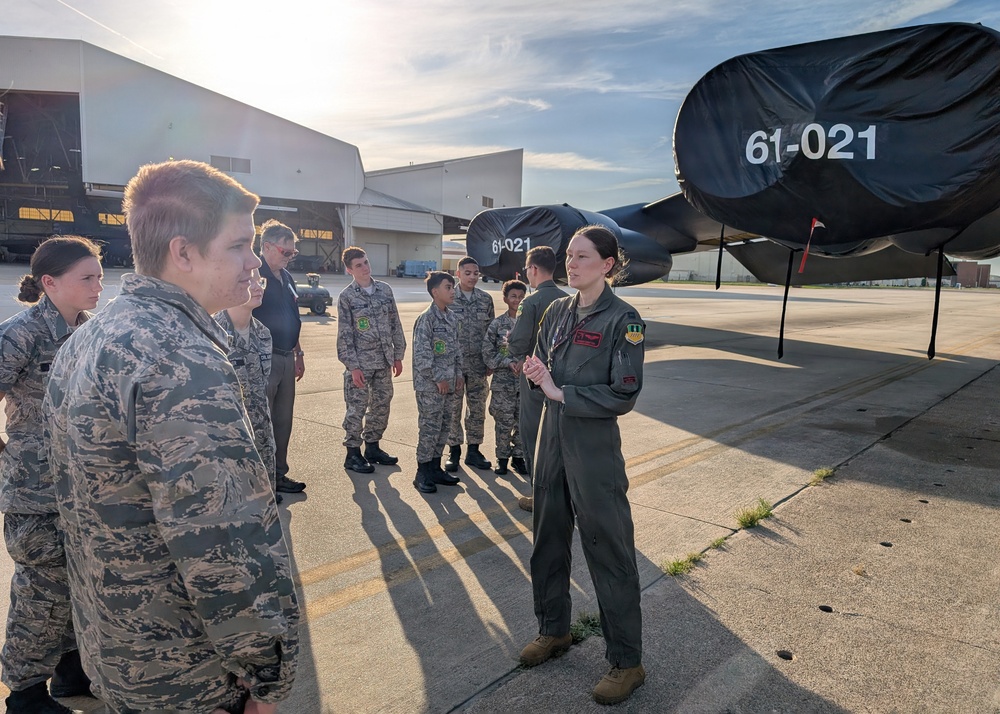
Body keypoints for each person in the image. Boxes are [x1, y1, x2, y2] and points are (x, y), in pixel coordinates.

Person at [44, 160, 299, 714]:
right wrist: (265, 676)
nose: (254, 259)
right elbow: (222, 543)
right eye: (239, 244)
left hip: (117, 653)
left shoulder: (90, 339)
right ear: (183, 253)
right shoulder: (181, 359)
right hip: (188, 677)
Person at [519, 225, 646, 706]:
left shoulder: (624, 319)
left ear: (608, 264)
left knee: (608, 550)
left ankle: (627, 661)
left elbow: (625, 392)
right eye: (569, 256)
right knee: (547, 541)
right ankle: (554, 631)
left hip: (592, 447)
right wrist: (538, 376)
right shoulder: (555, 310)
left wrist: (561, 392)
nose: (572, 264)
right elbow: (542, 362)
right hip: (551, 441)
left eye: (583, 257)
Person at [0, 236, 102, 714]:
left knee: (75, 581)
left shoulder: (88, 330)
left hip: (77, 489)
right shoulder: (20, 334)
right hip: (33, 493)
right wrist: (8, 461)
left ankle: (69, 672)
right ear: (50, 283)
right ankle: (23, 694)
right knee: (40, 590)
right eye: (87, 277)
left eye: (99, 275)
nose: (98, 285)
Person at [506, 246, 568, 511]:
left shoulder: (530, 302)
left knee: (533, 436)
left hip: (534, 379)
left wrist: (512, 346)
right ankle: (564, 492)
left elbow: (518, 343)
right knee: (559, 437)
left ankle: (541, 495)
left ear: (532, 269)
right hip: (561, 380)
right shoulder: (569, 299)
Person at [214, 268, 282, 505]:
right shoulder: (212, 334)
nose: (257, 287)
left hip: (262, 439)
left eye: (259, 281)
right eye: (249, 281)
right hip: (228, 446)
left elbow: (261, 391)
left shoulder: (263, 334)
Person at [336, 246, 406, 473]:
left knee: (381, 405)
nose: (365, 268)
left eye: (365, 262)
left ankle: (373, 447)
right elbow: (345, 334)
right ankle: (353, 454)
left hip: (384, 361)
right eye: (359, 265)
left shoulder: (384, 290)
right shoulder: (347, 297)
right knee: (356, 408)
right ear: (349, 270)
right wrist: (352, 366)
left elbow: (395, 323)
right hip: (361, 364)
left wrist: (398, 356)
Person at [253, 219, 306, 495]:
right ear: (266, 247)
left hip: (286, 357)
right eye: (286, 252)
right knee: (261, 421)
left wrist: (299, 353)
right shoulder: (253, 274)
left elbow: (293, 317)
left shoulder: (286, 278)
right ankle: (261, 482)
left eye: (292, 253)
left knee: (283, 420)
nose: (289, 257)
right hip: (262, 358)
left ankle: (278, 473)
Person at [411, 271, 464, 494]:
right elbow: (422, 355)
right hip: (431, 386)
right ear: (435, 292)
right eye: (448, 287)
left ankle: (435, 468)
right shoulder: (427, 319)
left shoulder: (452, 318)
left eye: (452, 287)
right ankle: (422, 472)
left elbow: (457, 350)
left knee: (444, 428)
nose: (452, 291)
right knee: (429, 429)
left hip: (450, 384)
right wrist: (439, 378)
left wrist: (459, 374)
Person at [445, 257, 494, 472]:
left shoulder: (485, 299)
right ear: (458, 274)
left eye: (476, 273)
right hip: (454, 366)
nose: (472, 277)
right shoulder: (448, 297)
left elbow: (492, 333)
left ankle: (473, 450)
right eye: (468, 273)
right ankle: (454, 451)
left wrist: (491, 360)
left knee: (477, 409)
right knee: (453, 409)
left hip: (478, 365)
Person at [482, 280, 528, 476]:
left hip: (525, 383)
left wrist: (524, 361)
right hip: (503, 384)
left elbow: (538, 348)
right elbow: (487, 351)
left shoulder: (530, 323)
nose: (517, 300)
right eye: (513, 296)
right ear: (505, 299)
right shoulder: (498, 324)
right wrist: (507, 362)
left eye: (520, 296)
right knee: (503, 422)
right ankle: (502, 458)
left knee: (522, 423)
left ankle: (519, 457)